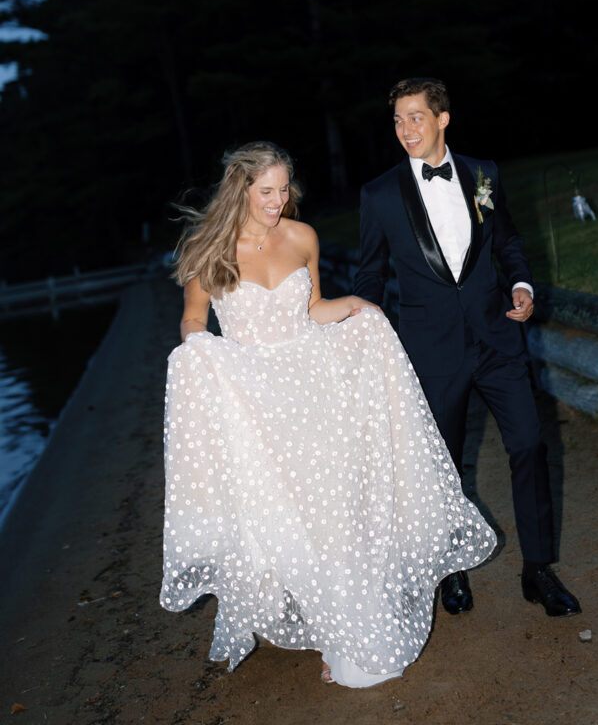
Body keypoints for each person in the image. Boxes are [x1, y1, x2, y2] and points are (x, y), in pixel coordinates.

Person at [159, 141, 495, 688]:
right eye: (265, 191)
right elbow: (194, 322)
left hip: (313, 387)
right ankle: (302, 612)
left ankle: (340, 624)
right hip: (254, 394)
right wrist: (204, 359)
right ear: (240, 189)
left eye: (283, 188)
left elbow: (313, 309)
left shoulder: (302, 236)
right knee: (279, 507)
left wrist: (359, 310)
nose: (277, 200)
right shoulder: (206, 250)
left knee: (331, 507)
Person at [354, 78, 581, 618]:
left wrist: (522, 285)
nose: (405, 129)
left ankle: (538, 570)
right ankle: (450, 569)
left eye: (415, 117)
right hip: (430, 351)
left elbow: (507, 241)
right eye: (398, 120)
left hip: (497, 337)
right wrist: (364, 329)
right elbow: (370, 273)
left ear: (442, 119)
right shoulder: (380, 194)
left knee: (528, 444)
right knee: (443, 467)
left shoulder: (484, 175)